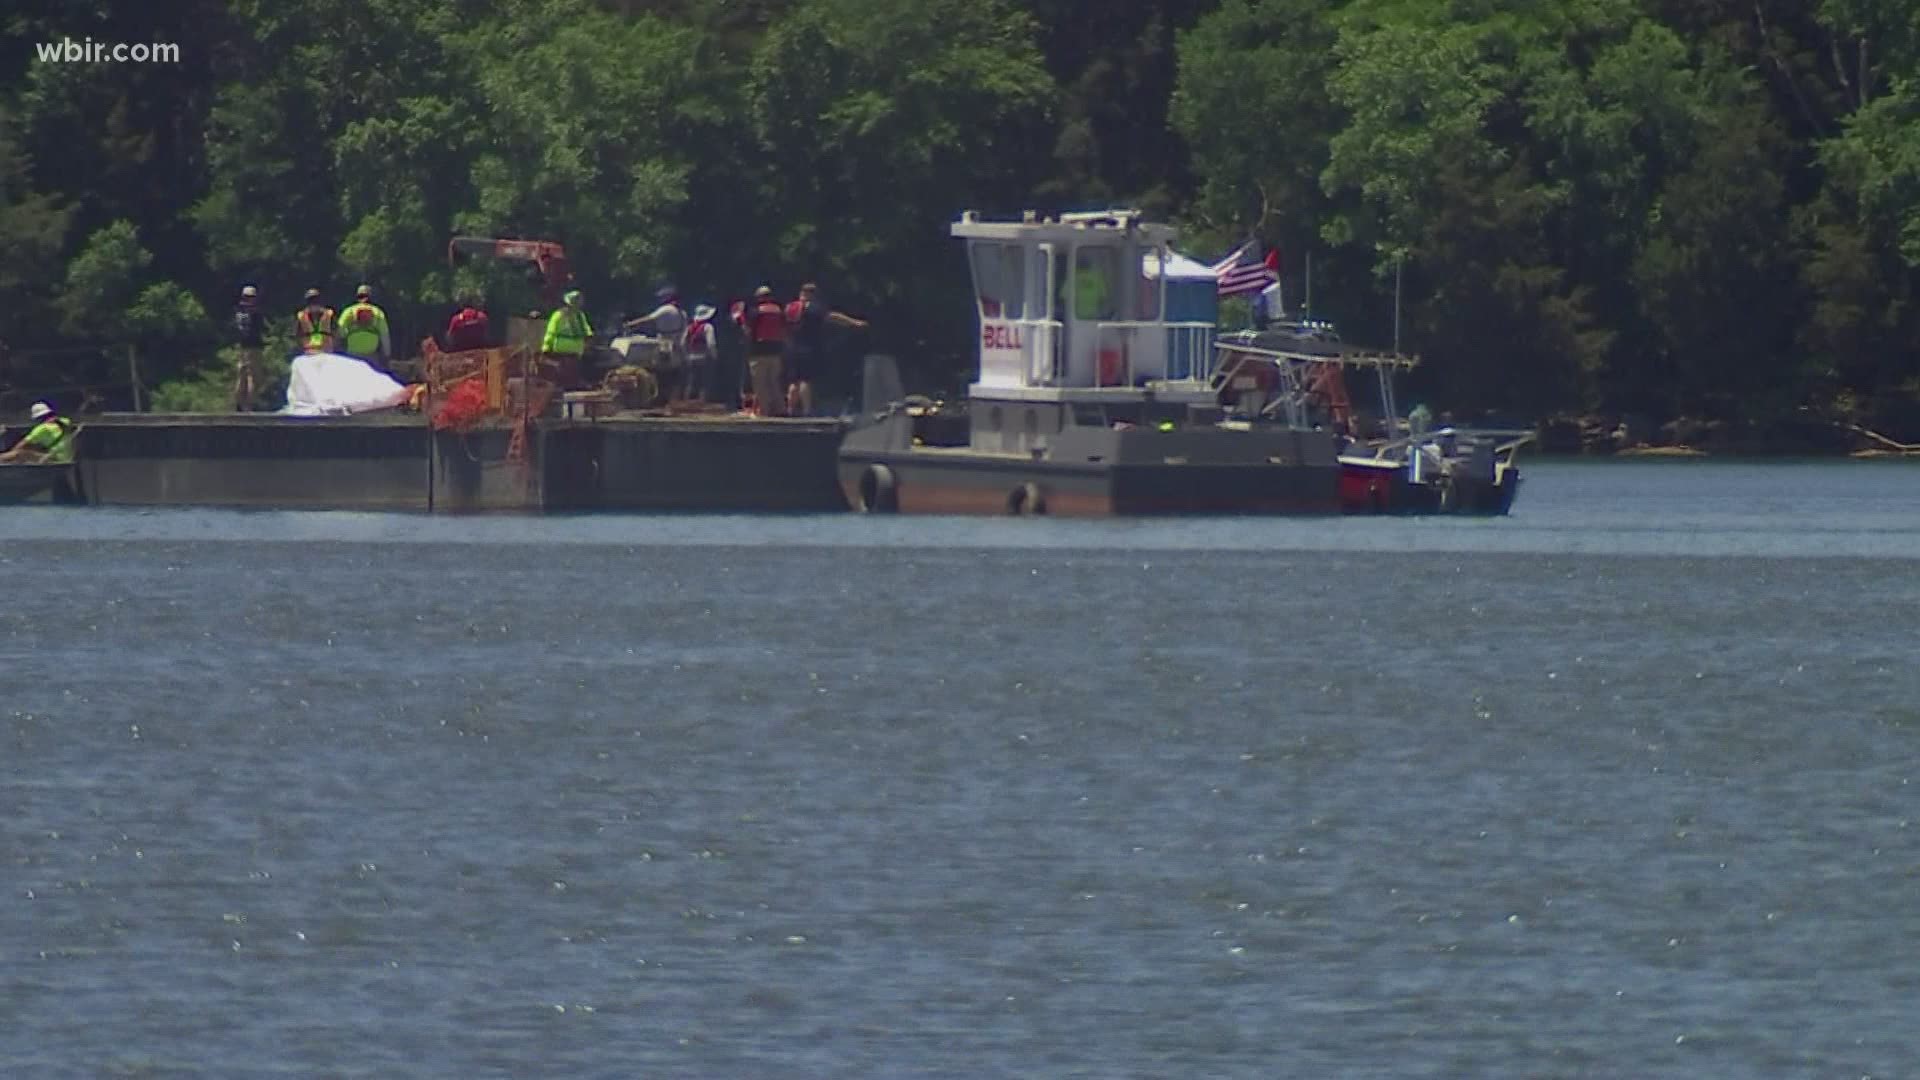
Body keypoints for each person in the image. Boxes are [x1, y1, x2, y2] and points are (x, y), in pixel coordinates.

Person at [783, 282, 867, 417]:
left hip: (792, 348)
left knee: (793, 381)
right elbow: (833, 317)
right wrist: (854, 322)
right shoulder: (814, 308)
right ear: (812, 294)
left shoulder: (790, 308)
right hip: (808, 348)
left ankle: (790, 410)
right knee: (805, 380)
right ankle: (807, 411)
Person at [623, 285, 688, 398]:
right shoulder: (682, 312)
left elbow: (649, 318)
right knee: (675, 372)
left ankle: (661, 396)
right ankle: (676, 396)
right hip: (678, 343)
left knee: (661, 371)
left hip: (665, 342)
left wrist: (630, 324)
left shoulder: (666, 309)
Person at [744, 285, 788, 416]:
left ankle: (764, 411)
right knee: (774, 382)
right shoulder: (779, 311)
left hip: (758, 351)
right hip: (776, 351)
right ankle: (780, 409)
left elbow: (748, 331)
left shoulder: (755, 311)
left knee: (760, 384)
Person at [542, 288, 594, 388]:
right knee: (566, 372)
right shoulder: (565, 315)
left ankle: (569, 387)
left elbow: (585, 329)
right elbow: (551, 333)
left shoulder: (572, 315)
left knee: (570, 372)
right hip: (567, 350)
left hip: (571, 350)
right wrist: (546, 347)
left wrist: (546, 347)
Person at [0, 401, 77, 465]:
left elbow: (19, 446)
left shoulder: (41, 429)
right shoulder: (66, 421)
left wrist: (10, 455)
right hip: (68, 457)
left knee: (19, 453)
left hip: (55, 459)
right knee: (33, 448)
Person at [337, 284, 392, 370]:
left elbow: (340, 331)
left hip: (352, 355)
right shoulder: (378, 312)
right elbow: (384, 336)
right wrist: (386, 355)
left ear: (357, 296)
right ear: (371, 297)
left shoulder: (349, 311)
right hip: (371, 356)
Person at [232, 284, 266, 411]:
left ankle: (239, 404)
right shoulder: (256, 313)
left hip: (241, 346)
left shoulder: (238, 311)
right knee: (253, 377)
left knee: (241, 375)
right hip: (254, 346)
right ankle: (251, 405)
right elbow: (260, 328)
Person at [683, 303, 717, 404]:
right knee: (704, 381)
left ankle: (686, 401)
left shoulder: (690, 327)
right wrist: (714, 355)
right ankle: (702, 402)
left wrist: (685, 355)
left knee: (691, 381)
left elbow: (682, 342)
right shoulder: (708, 327)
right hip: (704, 357)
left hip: (691, 357)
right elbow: (711, 343)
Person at [295, 288, 336, 353]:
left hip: (326, 351)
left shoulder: (329, 314)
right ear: (307, 302)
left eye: (316, 300)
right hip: (309, 352)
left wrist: (335, 349)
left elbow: (336, 333)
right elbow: (298, 336)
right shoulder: (301, 316)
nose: (314, 302)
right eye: (311, 300)